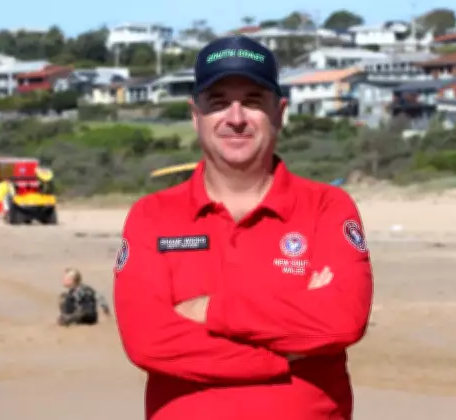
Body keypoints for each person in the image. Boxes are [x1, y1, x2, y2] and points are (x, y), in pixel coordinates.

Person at [113, 36, 373, 420]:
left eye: (252, 101)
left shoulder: (327, 207)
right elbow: (147, 342)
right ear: (195, 116)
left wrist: (209, 310)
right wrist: (283, 354)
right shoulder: (151, 216)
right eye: (218, 103)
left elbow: (341, 321)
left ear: (279, 113)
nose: (236, 118)